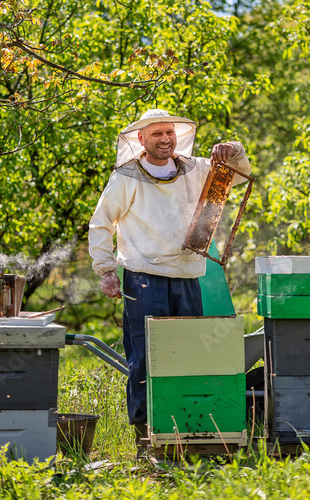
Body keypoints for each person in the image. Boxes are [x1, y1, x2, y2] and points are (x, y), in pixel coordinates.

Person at [88, 109, 251, 452]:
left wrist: (234, 148)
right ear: (142, 140)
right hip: (143, 279)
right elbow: (101, 222)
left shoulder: (196, 169)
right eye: (157, 134)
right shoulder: (126, 177)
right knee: (146, 358)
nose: (165, 139)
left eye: (169, 133)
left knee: (188, 357)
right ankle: (144, 436)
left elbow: (237, 175)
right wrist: (104, 269)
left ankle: (185, 432)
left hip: (187, 276)